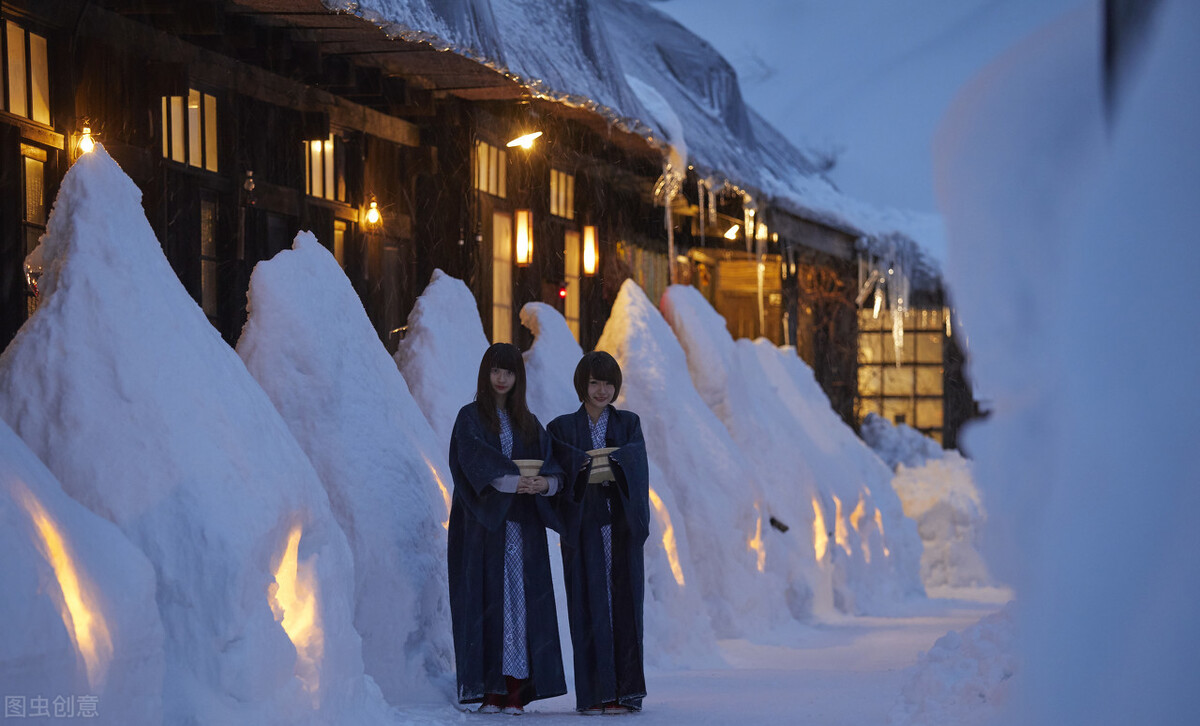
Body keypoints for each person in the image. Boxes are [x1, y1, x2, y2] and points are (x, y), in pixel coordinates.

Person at [447, 342, 567, 714]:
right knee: (487, 601)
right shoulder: (469, 418)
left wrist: (544, 484)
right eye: (496, 371)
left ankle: (516, 689)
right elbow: (471, 463)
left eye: (509, 372)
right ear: (485, 374)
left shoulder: (528, 423)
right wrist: (516, 482)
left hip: (523, 530)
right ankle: (490, 688)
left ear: (519, 377)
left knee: (521, 605)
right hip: (484, 530)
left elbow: (554, 468)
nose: (502, 378)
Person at [548, 351, 650, 715]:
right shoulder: (561, 428)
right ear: (582, 384)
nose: (602, 390)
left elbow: (636, 463)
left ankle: (625, 692)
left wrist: (617, 463)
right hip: (584, 525)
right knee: (587, 604)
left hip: (620, 524)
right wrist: (584, 466)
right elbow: (557, 470)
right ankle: (594, 694)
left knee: (624, 604)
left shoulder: (628, 424)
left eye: (608, 383)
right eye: (594, 382)